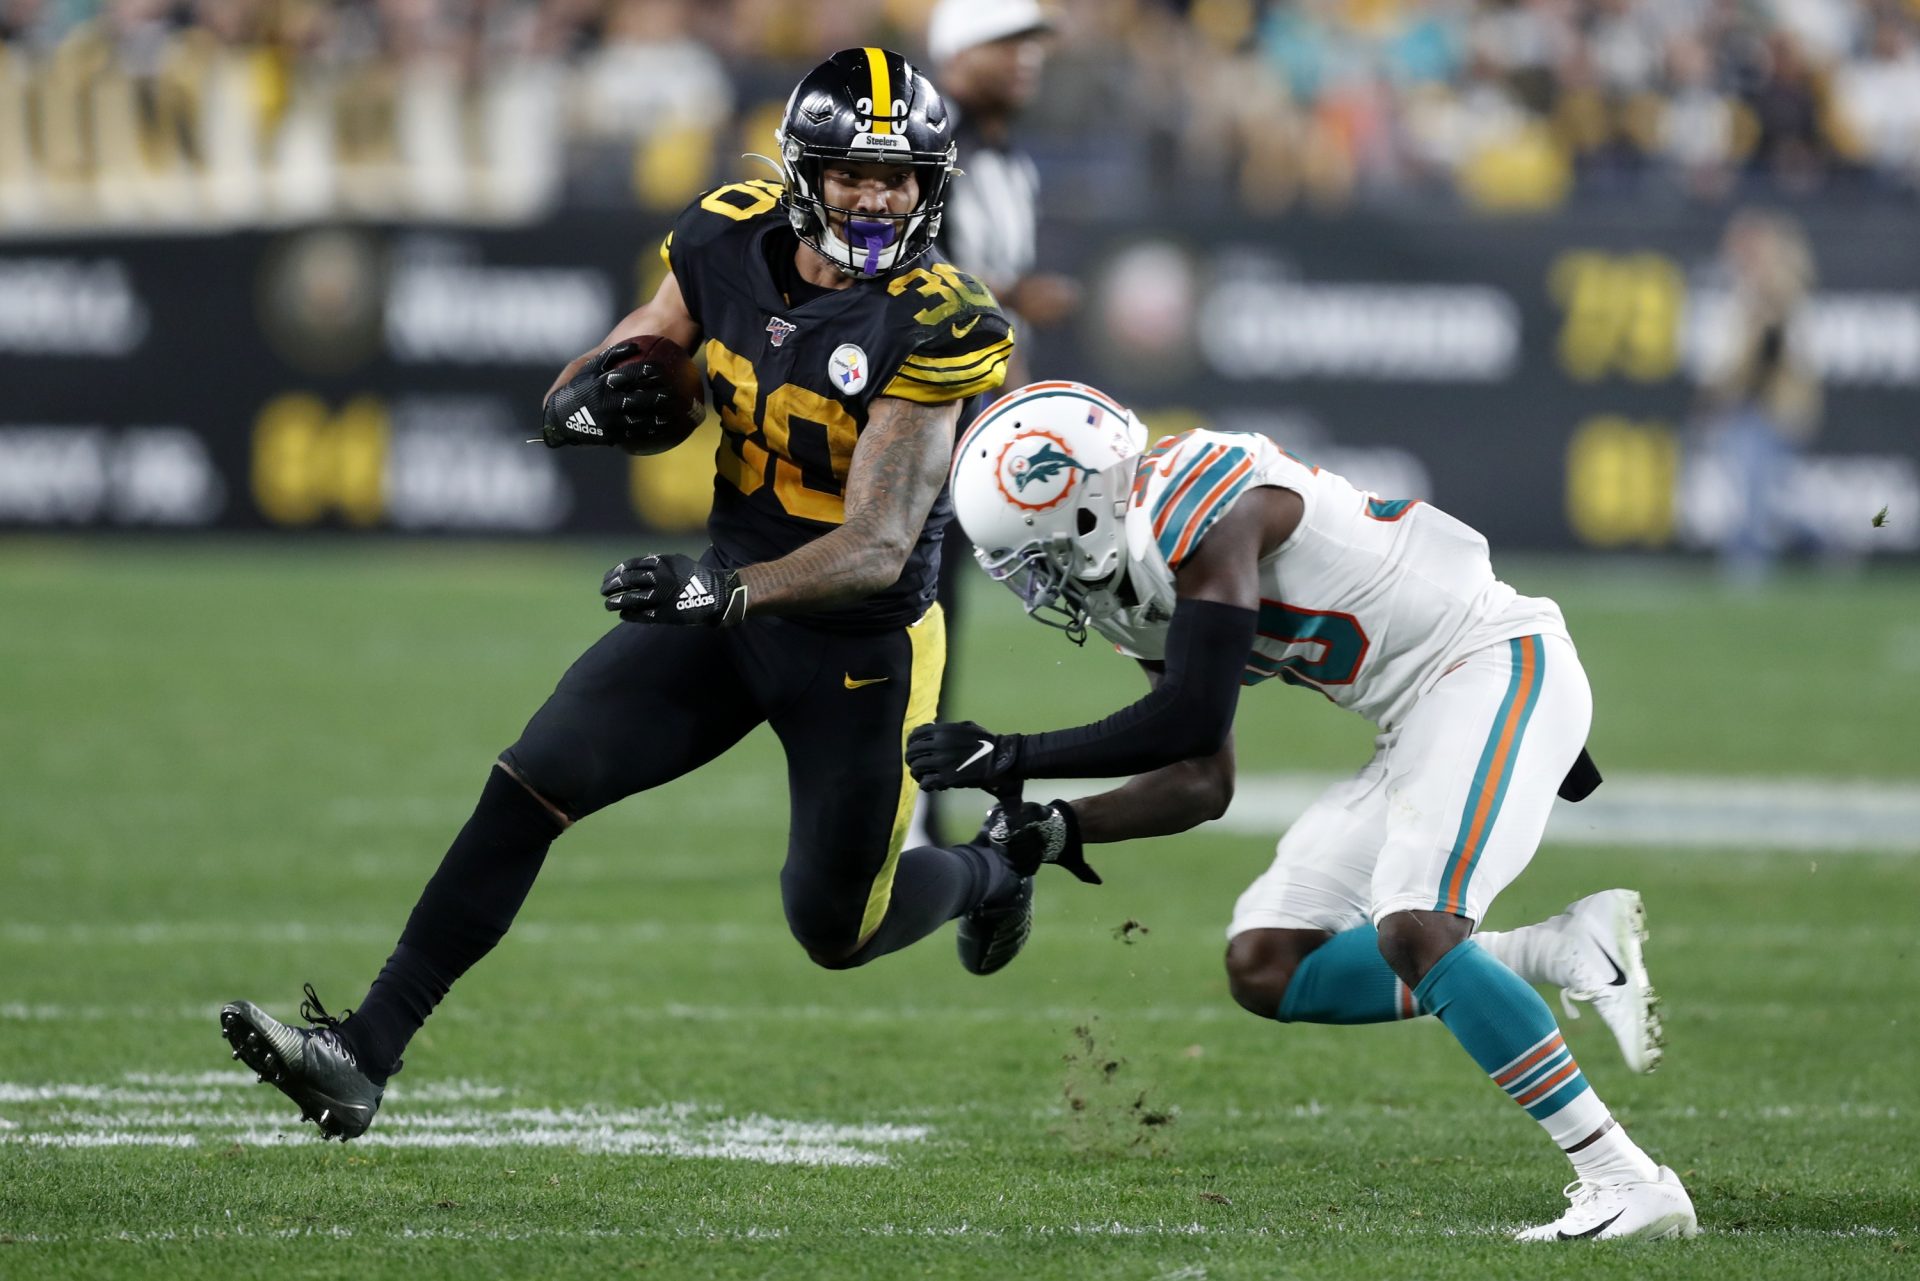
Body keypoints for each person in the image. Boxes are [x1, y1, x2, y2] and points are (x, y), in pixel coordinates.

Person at [219, 48, 1033, 1142]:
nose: (878, 198)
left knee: (837, 929)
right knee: (533, 783)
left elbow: (879, 546)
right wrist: (591, 389)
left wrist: (722, 592)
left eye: (899, 179)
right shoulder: (723, 234)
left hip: (855, 645)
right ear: (803, 175)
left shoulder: (940, 319)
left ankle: (991, 868)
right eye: (852, 175)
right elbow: (650, 341)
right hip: (726, 605)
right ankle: (362, 1053)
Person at [908, 381, 1696, 1242]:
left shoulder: (1202, 495)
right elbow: (1202, 777)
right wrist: (1059, 827)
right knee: (1268, 962)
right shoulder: (1129, 578)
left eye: (1037, 554)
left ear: (1084, 501)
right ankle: (1553, 948)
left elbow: (1193, 715)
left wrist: (1013, 755)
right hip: (1416, 717)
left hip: (1490, 664)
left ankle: (1624, 1177)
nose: (1039, 583)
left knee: (1416, 924)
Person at [909, 0, 1081, 848]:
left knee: (940, 610)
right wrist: (1010, 299)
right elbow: (900, 261)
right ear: (957, 52)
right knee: (908, 605)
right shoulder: (923, 150)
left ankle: (917, 797)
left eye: (1032, 44)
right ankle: (900, 804)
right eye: (1006, 43)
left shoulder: (1011, 160)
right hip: (921, 412)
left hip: (981, 415)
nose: (1026, 60)